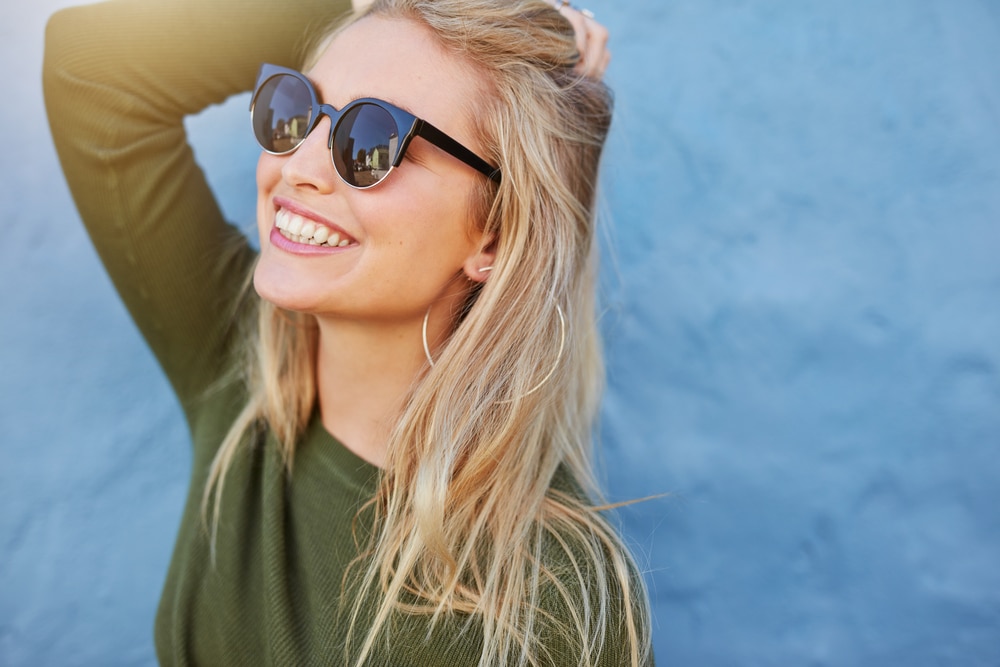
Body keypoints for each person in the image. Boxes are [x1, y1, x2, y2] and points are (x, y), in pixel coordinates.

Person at [44, 0, 652, 664]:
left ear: (497, 233)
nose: (298, 166)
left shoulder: (554, 599)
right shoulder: (242, 374)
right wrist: (360, 6)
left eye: (371, 140)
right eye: (297, 107)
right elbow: (89, 70)